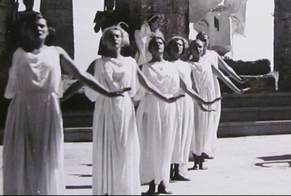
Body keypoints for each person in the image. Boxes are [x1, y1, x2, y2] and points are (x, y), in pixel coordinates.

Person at [2, 12, 127, 196]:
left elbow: (82, 76)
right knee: (23, 157)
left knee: (47, 157)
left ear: (48, 30)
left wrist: (106, 92)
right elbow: (9, 88)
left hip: (48, 108)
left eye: (42, 26)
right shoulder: (18, 54)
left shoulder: (56, 52)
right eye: (34, 26)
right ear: (26, 31)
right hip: (23, 110)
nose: (38, 29)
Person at [62, 26, 182, 196]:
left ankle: (124, 190)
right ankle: (106, 191)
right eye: (110, 37)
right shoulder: (97, 63)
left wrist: (165, 97)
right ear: (104, 41)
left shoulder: (130, 63)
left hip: (125, 111)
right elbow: (81, 81)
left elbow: (147, 84)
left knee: (125, 150)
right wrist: (61, 99)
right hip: (105, 110)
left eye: (118, 36)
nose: (115, 39)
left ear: (123, 40)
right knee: (106, 151)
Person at [187, 39, 250, 170]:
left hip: (208, 95)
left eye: (199, 47)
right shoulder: (188, 65)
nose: (198, 50)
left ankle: (201, 158)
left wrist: (237, 89)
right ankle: (195, 158)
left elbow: (222, 76)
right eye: (195, 47)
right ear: (190, 50)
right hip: (195, 97)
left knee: (206, 125)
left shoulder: (208, 62)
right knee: (195, 126)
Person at [165, 36, 220, 181]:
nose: (178, 48)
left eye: (180, 45)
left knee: (183, 135)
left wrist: (202, 102)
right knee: (172, 135)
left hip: (186, 103)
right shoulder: (167, 64)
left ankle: (178, 169)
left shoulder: (185, 65)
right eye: (174, 45)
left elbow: (191, 86)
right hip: (171, 101)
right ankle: (167, 169)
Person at [136, 35, 183, 195]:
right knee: (150, 145)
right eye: (155, 44)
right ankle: (151, 184)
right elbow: (140, 91)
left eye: (161, 43)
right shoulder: (144, 67)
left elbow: (176, 86)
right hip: (150, 106)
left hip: (168, 107)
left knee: (166, 143)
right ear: (150, 49)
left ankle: (163, 182)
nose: (158, 46)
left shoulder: (172, 67)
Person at [188, 0, 253, 56]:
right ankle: (212, 49)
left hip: (222, 15)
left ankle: (224, 50)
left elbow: (234, 1)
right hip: (207, 15)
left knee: (225, 19)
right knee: (213, 23)